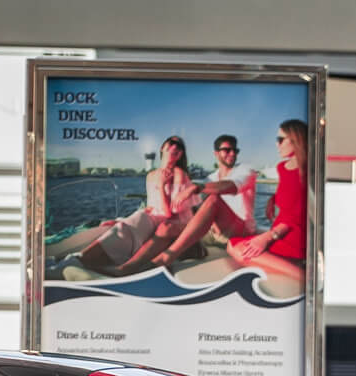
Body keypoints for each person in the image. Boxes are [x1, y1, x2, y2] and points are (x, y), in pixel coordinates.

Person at [60, 136, 199, 278]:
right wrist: (124, 219)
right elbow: (151, 206)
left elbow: (170, 213)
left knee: (134, 223)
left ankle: (80, 262)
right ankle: (78, 259)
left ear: (181, 154)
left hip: (175, 220)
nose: (175, 147)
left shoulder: (178, 174)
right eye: (172, 143)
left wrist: (162, 185)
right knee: (122, 226)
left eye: (179, 146)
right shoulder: (151, 175)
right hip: (155, 216)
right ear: (162, 148)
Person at [149, 133, 258, 269]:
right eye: (227, 150)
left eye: (235, 150)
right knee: (168, 227)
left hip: (239, 230)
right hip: (212, 232)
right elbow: (197, 208)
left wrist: (196, 187)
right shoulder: (210, 178)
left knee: (214, 198)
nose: (232, 154)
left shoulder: (246, 170)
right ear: (216, 153)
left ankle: (167, 257)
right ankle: (139, 264)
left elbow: (230, 186)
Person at [229, 118, 307, 285]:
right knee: (232, 244)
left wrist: (267, 237)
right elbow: (291, 197)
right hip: (279, 233)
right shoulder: (282, 168)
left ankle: (302, 277)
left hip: (291, 235)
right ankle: (285, 267)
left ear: (296, 140)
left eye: (280, 140)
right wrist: (274, 198)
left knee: (238, 248)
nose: (276, 145)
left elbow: (296, 217)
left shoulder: (306, 172)